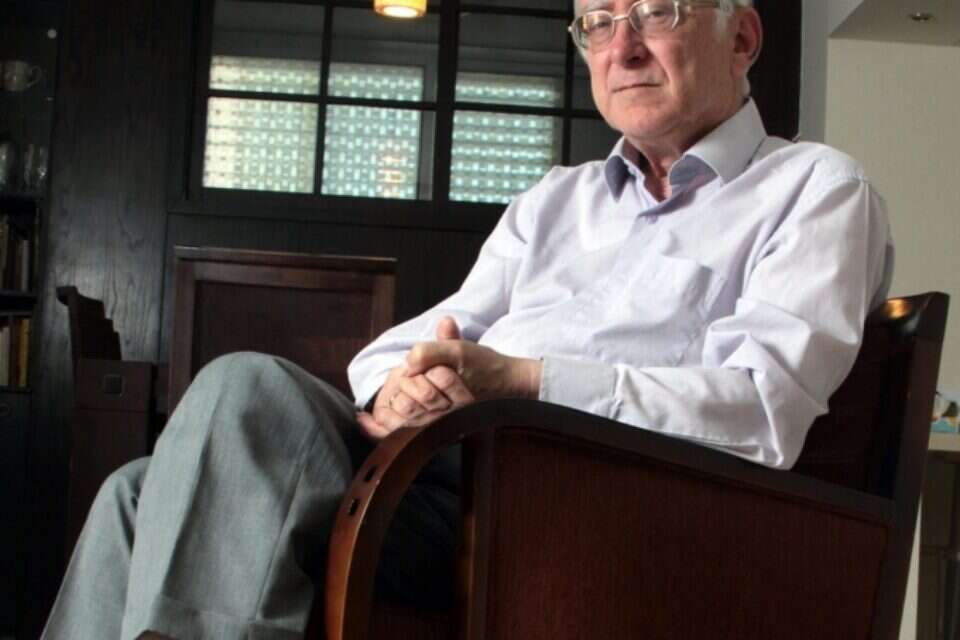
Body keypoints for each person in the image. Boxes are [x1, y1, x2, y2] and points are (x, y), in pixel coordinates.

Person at [42, 0, 893, 638]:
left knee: (242, 391)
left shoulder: (815, 190)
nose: (622, 46)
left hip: (582, 516)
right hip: (440, 474)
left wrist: (522, 383)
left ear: (742, 37)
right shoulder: (556, 199)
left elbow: (761, 410)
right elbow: (402, 346)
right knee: (137, 492)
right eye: (598, 24)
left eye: (654, 13)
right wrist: (403, 388)